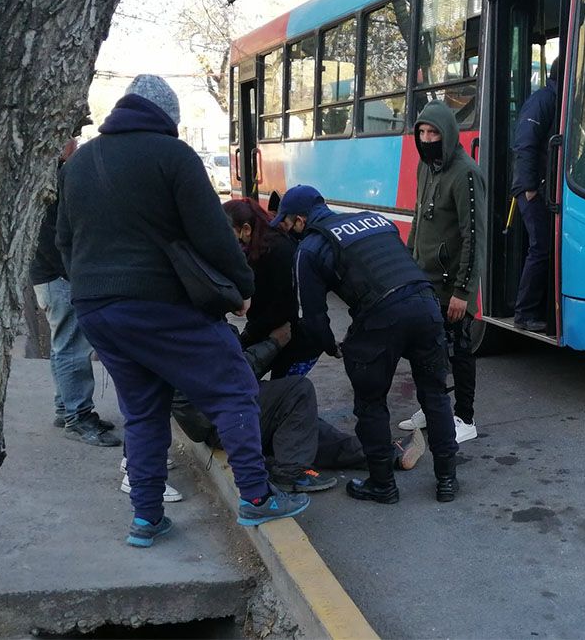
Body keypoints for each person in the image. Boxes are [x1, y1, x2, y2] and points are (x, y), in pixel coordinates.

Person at [56, 74, 308, 548]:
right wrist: (242, 288)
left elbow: (64, 242)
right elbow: (212, 234)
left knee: (144, 411)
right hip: (158, 304)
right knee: (234, 385)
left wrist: (94, 289)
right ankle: (256, 495)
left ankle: (147, 518)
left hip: (96, 310)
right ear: (168, 118)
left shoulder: (80, 162)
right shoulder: (172, 156)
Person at [270, 184, 461, 503]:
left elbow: (313, 318)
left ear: (300, 220)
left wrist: (332, 346)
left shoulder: (310, 248)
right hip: (426, 306)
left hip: (381, 317)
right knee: (435, 396)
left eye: (286, 223)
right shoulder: (373, 219)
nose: (286, 230)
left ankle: (383, 485)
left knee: (371, 402)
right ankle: (447, 480)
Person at [170, 321, 427, 486]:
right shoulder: (193, 324)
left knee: (304, 427)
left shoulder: (193, 316)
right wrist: (274, 342)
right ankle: (289, 471)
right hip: (221, 418)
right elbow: (231, 373)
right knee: (298, 391)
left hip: (225, 411)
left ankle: (383, 455)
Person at [396, 101, 487, 443]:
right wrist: (408, 265)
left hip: (453, 285)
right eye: (422, 132)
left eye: (433, 132)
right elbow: (419, 219)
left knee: (460, 349)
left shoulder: (465, 172)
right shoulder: (425, 167)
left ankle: (465, 417)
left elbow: (473, 236)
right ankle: (432, 406)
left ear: (447, 134)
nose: (427, 138)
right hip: (424, 279)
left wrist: (463, 292)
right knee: (425, 350)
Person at [30, 138, 120, 447]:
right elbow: (59, 238)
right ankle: (77, 416)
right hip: (59, 275)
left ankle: (66, 409)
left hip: (49, 274)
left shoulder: (45, 176)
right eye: (72, 139)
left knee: (63, 345)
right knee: (72, 347)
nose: (77, 144)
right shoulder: (57, 179)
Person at [222, 198, 320, 378]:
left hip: (295, 338)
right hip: (277, 332)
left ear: (246, 229)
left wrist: (249, 336)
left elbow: (282, 307)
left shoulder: (275, 251)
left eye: (228, 234)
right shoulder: (262, 244)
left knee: (283, 392)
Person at [509, 56, 562, 333]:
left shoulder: (557, 99)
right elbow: (526, 144)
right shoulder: (543, 100)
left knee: (545, 247)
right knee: (540, 247)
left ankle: (539, 308)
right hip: (533, 188)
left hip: (544, 186)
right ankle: (524, 314)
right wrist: (529, 187)